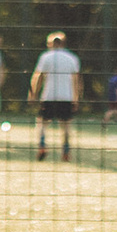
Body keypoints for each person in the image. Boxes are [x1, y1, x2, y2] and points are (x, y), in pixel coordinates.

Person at [30, 29, 81, 161]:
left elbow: (38, 77)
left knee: (42, 123)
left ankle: (42, 145)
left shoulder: (45, 57)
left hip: (49, 96)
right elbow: (76, 80)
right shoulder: (72, 58)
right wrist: (76, 98)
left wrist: (33, 94)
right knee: (66, 126)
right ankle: (65, 151)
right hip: (66, 96)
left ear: (50, 44)